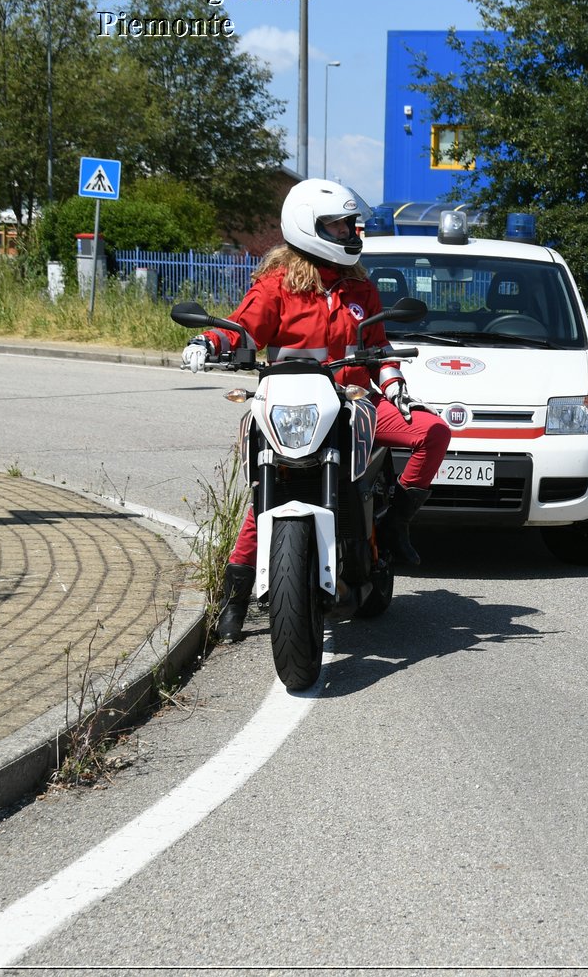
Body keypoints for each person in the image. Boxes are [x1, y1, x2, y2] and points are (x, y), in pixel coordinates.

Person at [181, 178, 451, 642]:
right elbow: (243, 328)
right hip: (291, 406)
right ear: (308, 228)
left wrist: (396, 384)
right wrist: (207, 341)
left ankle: (394, 524)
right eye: (339, 227)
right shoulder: (277, 285)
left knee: (432, 431)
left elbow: (380, 346)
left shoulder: (360, 288)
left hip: (355, 403)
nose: (351, 235)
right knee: (265, 491)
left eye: (352, 227)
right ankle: (235, 598)